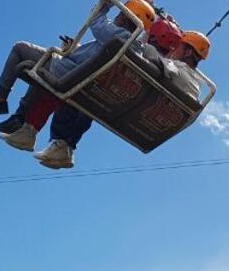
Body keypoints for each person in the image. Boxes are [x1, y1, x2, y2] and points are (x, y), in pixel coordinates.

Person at [0, 0, 156, 151]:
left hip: (66, 72)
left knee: (21, 50)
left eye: (121, 13)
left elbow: (95, 17)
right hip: (77, 75)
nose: (117, 16)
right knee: (40, 66)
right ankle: (20, 120)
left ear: (125, 18)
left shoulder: (118, 37)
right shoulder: (134, 47)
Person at [35, 29, 211, 169]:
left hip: (130, 106)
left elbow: (155, 61)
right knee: (91, 95)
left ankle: (61, 143)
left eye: (178, 46)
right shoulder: (197, 85)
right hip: (146, 122)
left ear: (188, 51)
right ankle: (65, 147)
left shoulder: (175, 68)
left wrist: (148, 40)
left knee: (83, 89)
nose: (174, 49)